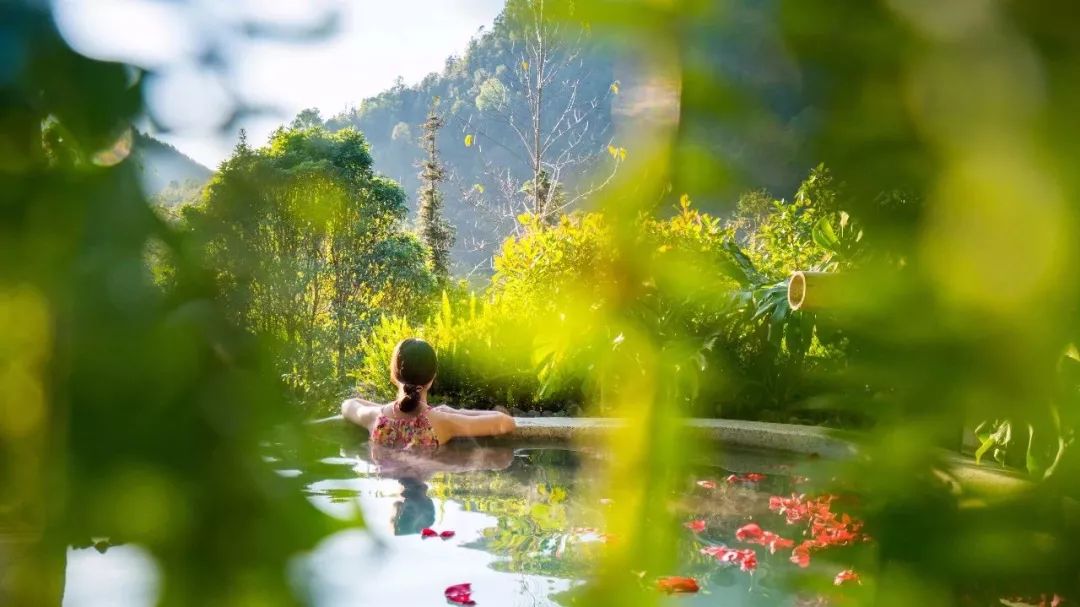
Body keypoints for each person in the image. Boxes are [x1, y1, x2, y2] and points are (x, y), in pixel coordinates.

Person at [341, 337, 516, 448]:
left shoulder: (375, 418)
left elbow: (348, 404)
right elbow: (506, 422)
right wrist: (456, 412)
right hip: (422, 497)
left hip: (390, 495)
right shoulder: (442, 421)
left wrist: (388, 408)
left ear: (394, 375)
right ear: (432, 378)